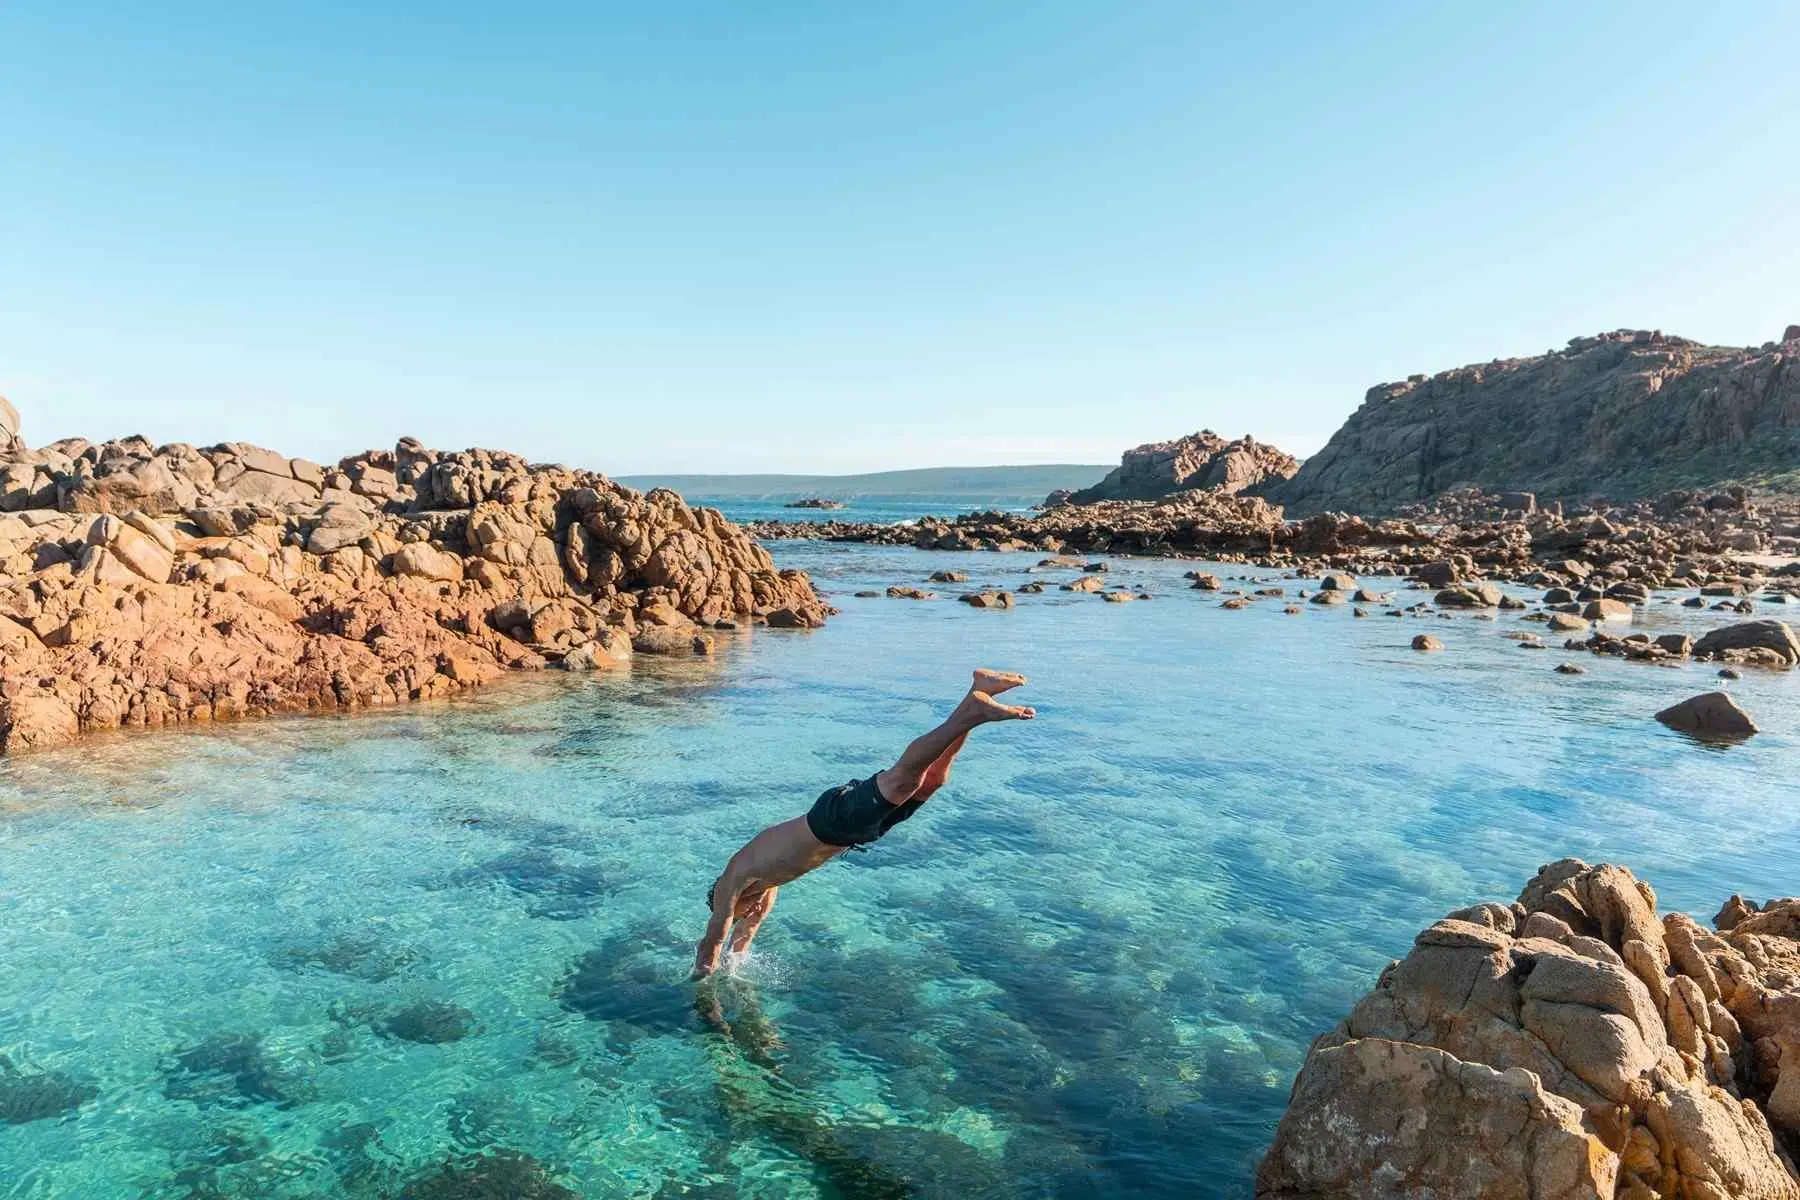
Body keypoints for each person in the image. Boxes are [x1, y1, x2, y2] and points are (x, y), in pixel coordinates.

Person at [691, 669, 1034, 978]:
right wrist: (734, 972)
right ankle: (975, 696)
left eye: (737, 913)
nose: (745, 914)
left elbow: (714, 939)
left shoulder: (730, 882)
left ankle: (975, 712)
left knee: (905, 778)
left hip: (829, 820)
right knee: (933, 781)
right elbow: (745, 938)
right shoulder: (762, 889)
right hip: (853, 834)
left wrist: (700, 979)